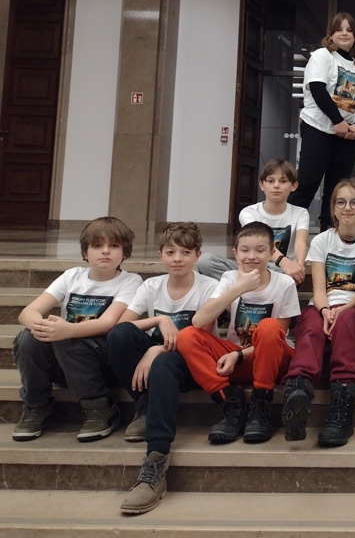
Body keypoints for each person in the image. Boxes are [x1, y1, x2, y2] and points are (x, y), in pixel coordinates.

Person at [106, 222, 217, 514]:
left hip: (191, 363)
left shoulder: (210, 287)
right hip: (157, 364)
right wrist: (160, 320)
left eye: (185, 252)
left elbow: (200, 336)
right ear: (160, 255)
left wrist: (155, 349)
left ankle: (155, 463)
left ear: (198, 255)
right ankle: (145, 406)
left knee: (164, 361)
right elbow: (122, 325)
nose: (177, 258)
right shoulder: (151, 286)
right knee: (120, 336)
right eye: (170, 252)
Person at [13, 216, 141, 443]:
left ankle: (99, 407)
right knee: (28, 338)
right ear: (85, 252)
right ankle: (36, 406)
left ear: (125, 252)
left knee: (68, 339)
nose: (105, 251)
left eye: (114, 246)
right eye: (97, 246)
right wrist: (42, 327)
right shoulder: (72, 276)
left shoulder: (130, 281)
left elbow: (108, 323)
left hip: (101, 363)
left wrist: (67, 330)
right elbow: (28, 312)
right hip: (65, 359)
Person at [176, 222, 300, 444]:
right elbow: (199, 321)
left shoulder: (285, 283)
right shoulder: (229, 278)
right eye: (245, 250)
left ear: (271, 253)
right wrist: (240, 287)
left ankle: (261, 404)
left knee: (269, 327)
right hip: (233, 363)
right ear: (235, 253)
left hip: (272, 362)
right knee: (187, 336)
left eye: (260, 250)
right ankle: (229, 402)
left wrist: (239, 354)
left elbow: (278, 336)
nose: (251, 256)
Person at [281, 179, 355, 448]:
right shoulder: (322, 240)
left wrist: (342, 310)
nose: (347, 208)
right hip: (324, 305)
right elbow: (319, 288)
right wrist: (324, 310)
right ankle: (298, 391)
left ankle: (341, 409)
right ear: (333, 208)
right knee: (310, 326)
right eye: (340, 202)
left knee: (346, 322)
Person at [289, 12, 355, 232]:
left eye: (349, 30)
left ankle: (329, 235)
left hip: (347, 137)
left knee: (337, 190)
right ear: (331, 34)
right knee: (308, 183)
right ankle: (285, 236)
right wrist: (338, 121)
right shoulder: (322, 56)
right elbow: (317, 89)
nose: (344, 33)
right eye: (339, 29)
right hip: (318, 128)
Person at [199, 158, 309, 284]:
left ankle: (245, 285)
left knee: (286, 276)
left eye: (283, 181)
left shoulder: (300, 213)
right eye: (270, 181)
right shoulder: (249, 212)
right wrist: (283, 261)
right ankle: (250, 284)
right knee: (206, 261)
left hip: (280, 270)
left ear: (293, 186)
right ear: (262, 185)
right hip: (252, 265)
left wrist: (299, 267)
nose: (276, 185)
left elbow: (300, 243)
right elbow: (259, 241)